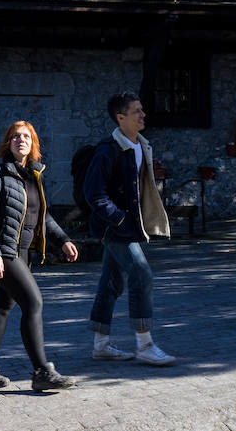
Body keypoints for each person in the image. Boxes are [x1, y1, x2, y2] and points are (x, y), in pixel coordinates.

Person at [0, 120, 81, 391]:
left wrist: (63, 240)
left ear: (33, 144)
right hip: (4, 253)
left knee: (1, 308)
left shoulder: (33, 176)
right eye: (15, 136)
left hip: (23, 253)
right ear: (7, 143)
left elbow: (41, 216)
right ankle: (42, 371)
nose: (20, 140)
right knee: (33, 303)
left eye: (26, 136)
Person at [83, 91, 176, 365]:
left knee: (111, 282)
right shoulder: (107, 150)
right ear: (120, 118)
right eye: (137, 111)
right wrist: (120, 219)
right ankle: (144, 344)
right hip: (115, 228)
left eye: (142, 109)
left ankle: (100, 344)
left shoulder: (140, 145)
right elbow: (93, 193)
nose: (143, 115)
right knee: (142, 274)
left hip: (130, 227)